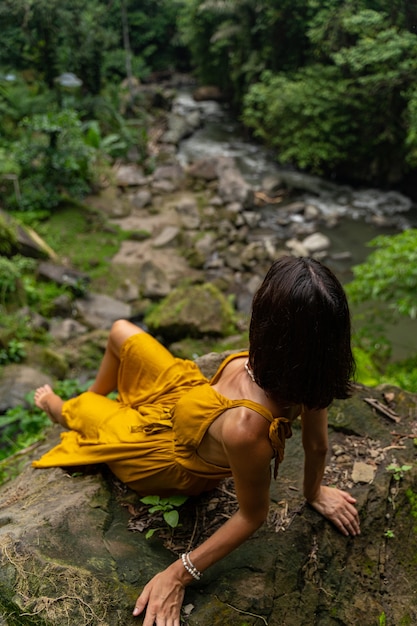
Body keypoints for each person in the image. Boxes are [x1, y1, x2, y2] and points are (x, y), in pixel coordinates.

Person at [33, 255, 360, 626]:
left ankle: (67, 410)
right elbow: (316, 445)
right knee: (121, 331)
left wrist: (178, 574)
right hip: (183, 396)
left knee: (75, 411)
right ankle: (96, 398)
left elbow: (253, 516)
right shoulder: (306, 373)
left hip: (164, 453)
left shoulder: (247, 428)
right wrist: (314, 491)